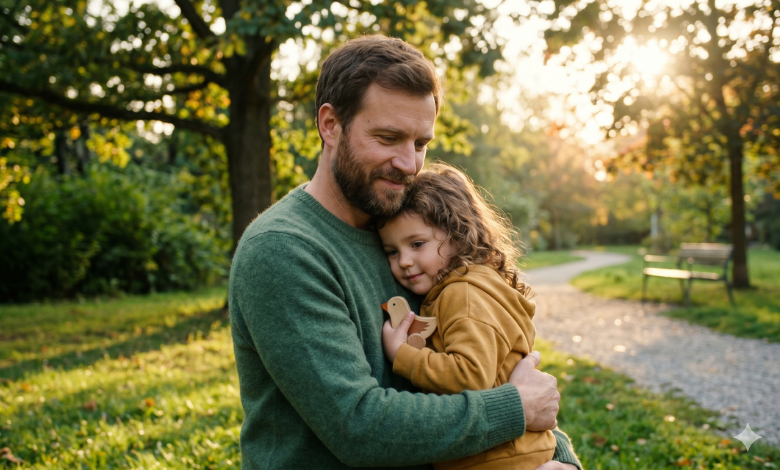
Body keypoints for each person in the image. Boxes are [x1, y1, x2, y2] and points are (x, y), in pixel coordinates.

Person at [228, 35, 581, 469]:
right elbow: (358, 427)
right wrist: (515, 410)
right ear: (330, 125)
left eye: (420, 143)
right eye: (389, 137)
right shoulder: (283, 249)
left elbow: (512, 373)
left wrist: (559, 459)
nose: (410, 164)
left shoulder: (413, 234)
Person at [379, 163, 563, 470]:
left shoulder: (461, 295)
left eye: (416, 244)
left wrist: (402, 355)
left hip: (499, 459)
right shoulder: (470, 287)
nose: (405, 261)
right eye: (392, 251)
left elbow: (470, 375)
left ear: (457, 235)